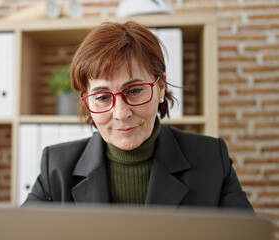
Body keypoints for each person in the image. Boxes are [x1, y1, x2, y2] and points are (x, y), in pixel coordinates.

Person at [23, 21, 253, 211]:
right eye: (103, 97)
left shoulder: (212, 159)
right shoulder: (57, 167)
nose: (121, 113)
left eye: (134, 91)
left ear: (161, 86)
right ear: (87, 101)